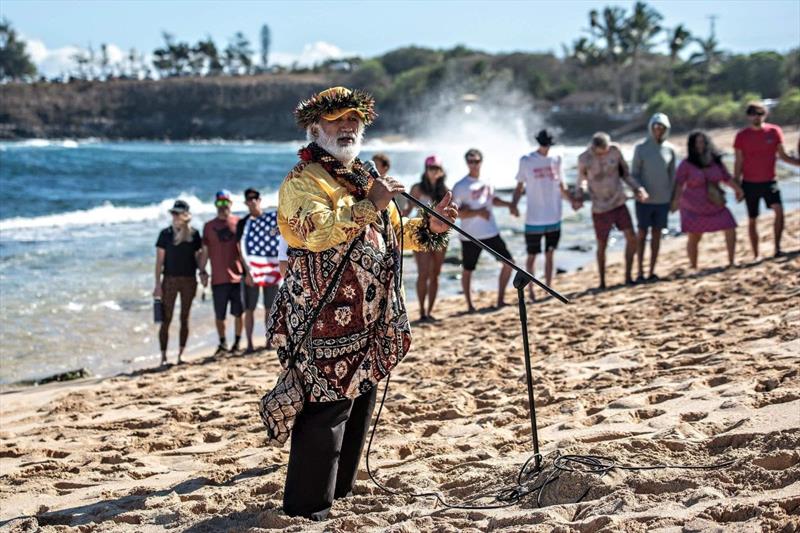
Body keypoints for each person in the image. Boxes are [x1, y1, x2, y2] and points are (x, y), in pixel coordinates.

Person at [267, 86, 456, 521]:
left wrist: (429, 226)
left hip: (368, 319)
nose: (348, 126)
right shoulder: (303, 181)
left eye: (354, 119)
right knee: (325, 407)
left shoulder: (366, 179)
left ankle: (341, 491)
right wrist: (372, 203)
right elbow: (316, 232)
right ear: (316, 128)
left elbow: (391, 237)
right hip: (322, 320)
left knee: (358, 402)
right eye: (337, 120)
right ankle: (306, 507)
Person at [575, 132, 649, 289]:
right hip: (600, 207)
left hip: (618, 202)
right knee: (602, 244)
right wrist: (579, 194)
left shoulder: (615, 151)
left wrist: (638, 189)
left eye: (606, 150)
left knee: (632, 238)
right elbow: (581, 180)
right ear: (594, 148)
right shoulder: (584, 158)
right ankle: (602, 281)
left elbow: (626, 175)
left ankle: (628, 276)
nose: (604, 154)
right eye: (601, 152)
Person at [452, 148, 518, 312]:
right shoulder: (460, 186)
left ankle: (500, 300)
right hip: (469, 235)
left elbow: (492, 200)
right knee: (468, 270)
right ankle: (470, 305)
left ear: (481, 161)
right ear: (466, 163)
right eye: (470, 161)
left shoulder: (487, 180)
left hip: (490, 231)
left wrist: (509, 204)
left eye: (476, 161)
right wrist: (476, 212)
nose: (473, 164)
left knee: (509, 264)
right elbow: (453, 213)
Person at [733, 101, 800, 259]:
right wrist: (737, 185)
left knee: (779, 211)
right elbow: (738, 161)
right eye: (753, 114)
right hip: (749, 183)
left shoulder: (774, 131)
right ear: (748, 116)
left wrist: (798, 162)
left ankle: (777, 248)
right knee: (752, 219)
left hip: (770, 181)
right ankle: (756, 254)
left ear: (765, 115)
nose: (757, 117)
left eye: (760, 114)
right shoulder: (741, 136)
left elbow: (782, 156)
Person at [511, 129, 572, 301]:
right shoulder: (527, 160)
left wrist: (572, 201)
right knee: (532, 256)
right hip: (534, 218)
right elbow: (519, 186)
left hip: (554, 216)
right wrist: (514, 205)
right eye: (544, 144)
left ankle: (548, 288)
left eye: (548, 144)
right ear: (539, 143)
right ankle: (530, 290)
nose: (546, 147)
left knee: (550, 253)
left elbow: (562, 186)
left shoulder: (557, 159)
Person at [672, 131, 744, 269]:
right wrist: (675, 202)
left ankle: (731, 262)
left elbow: (726, 177)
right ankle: (693, 266)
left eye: (702, 142)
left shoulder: (715, 162)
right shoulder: (686, 164)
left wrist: (738, 190)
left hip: (715, 205)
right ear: (691, 146)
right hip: (692, 207)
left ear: (707, 143)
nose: (700, 145)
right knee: (694, 237)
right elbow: (679, 183)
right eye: (697, 142)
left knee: (730, 227)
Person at [153, 200, 202, 365]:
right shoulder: (165, 234)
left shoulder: (194, 234)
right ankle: (163, 357)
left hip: (189, 280)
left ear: (186, 215)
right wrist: (157, 285)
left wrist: (204, 272)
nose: (174, 216)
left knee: (185, 318)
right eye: (173, 213)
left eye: (178, 213)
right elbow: (159, 262)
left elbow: (199, 258)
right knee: (166, 319)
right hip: (169, 280)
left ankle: (180, 356)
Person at [402, 154, 449, 321]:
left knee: (435, 273)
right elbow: (408, 209)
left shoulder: (445, 191)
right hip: (421, 232)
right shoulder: (417, 188)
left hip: (440, 234)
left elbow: (450, 215)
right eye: (430, 168)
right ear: (426, 169)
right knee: (423, 273)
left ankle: (430, 311)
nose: (433, 171)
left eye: (436, 168)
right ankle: (421, 311)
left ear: (442, 171)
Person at [631, 113, 677, 282]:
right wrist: (639, 190)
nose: (658, 130)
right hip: (644, 201)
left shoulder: (670, 150)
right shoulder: (641, 148)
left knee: (657, 235)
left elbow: (673, 177)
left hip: (663, 200)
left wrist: (674, 199)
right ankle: (640, 272)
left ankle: (652, 270)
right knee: (642, 234)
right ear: (651, 127)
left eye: (662, 128)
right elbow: (634, 174)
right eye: (656, 127)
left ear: (666, 129)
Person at [236, 188, 283, 354]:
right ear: (245, 202)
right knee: (249, 308)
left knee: (270, 308)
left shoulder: (272, 219)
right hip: (250, 272)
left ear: (259, 199)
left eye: (255, 198)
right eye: (249, 199)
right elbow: (240, 248)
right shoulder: (243, 223)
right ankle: (248, 343)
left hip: (271, 269)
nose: (252, 201)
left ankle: (268, 341)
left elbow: (282, 233)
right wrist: (248, 272)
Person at [199, 190, 244, 354]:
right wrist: (202, 270)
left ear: (231, 204)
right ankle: (223, 343)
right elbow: (204, 252)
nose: (222, 206)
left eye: (225, 203)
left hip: (238, 277)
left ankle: (237, 343)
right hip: (218, 278)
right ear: (215, 205)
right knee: (220, 315)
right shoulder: (209, 227)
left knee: (239, 313)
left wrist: (250, 272)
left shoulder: (239, 223)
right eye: (219, 203)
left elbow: (245, 249)